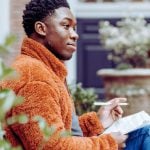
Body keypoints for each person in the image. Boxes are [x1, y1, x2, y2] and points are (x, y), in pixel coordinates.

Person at [1, 0, 150, 149]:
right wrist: (108, 143)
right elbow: (51, 147)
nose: (75, 35)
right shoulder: (35, 78)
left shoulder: (42, 69)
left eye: (74, 28)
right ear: (41, 28)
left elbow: (60, 131)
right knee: (146, 133)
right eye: (66, 26)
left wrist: (97, 121)